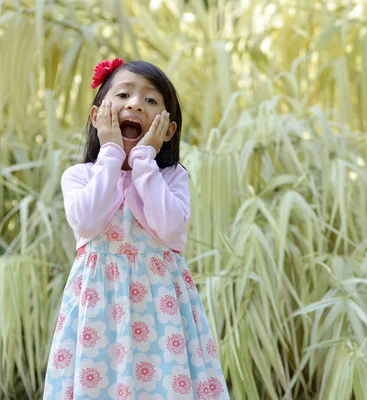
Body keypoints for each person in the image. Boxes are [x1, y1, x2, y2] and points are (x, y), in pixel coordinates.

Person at [43, 59, 229, 399]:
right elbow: (87, 221)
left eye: (150, 100)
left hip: (162, 309)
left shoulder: (172, 178)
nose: (135, 104)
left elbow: (170, 227)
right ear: (97, 115)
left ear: (168, 129)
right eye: (124, 94)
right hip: (99, 307)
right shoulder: (80, 176)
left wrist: (145, 160)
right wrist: (111, 153)